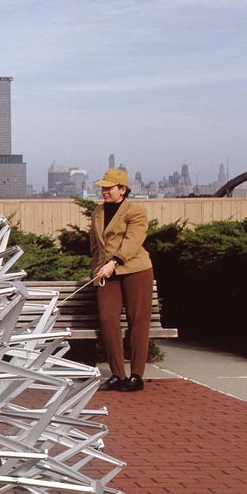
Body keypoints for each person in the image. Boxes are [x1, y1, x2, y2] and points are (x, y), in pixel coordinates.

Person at [89, 168, 153, 391]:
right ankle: (117, 374)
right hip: (106, 273)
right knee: (107, 319)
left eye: (109, 187)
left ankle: (136, 376)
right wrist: (96, 268)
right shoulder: (97, 212)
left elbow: (133, 241)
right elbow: (95, 246)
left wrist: (114, 262)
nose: (104, 191)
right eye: (103, 187)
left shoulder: (136, 211)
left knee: (138, 321)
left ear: (122, 190)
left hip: (135, 270)